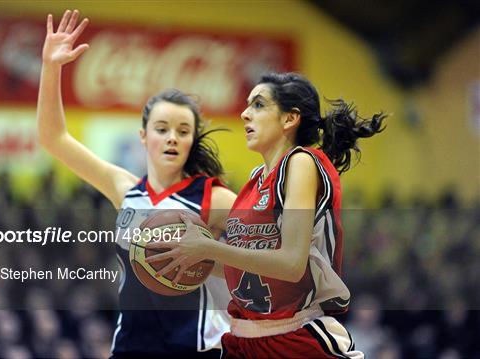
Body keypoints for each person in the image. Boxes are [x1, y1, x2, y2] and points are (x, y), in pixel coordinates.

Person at [37, 10, 236, 358]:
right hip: (130, 348)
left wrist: (207, 260)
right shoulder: (126, 189)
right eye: (162, 129)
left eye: (183, 131)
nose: (172, 138)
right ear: (144, 137)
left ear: (192, 141)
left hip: (194, 349)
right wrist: (51, 67)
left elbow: (270, 263)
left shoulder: (214, 197)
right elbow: (54, 138)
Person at [147, 72, 386, 358]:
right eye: (247, 105)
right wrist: (188, 258)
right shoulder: (255, 180)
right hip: (244, 340)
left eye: (258, 105)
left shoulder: (300, 163)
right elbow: (246, 268)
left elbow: (291, 264)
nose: (245, 114)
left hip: (293, 340)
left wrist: (209, 248)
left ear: (289, 118)